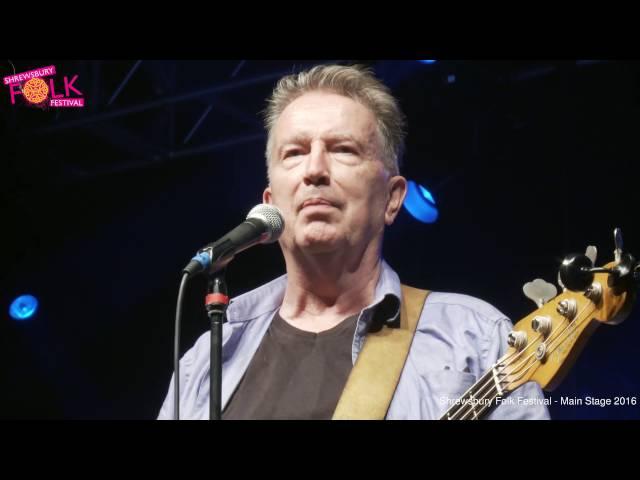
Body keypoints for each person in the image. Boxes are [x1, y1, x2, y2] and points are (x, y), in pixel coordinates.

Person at [158, 64, 550, 420]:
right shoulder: (209, 359)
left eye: (342, 150)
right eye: (294, 153)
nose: (314, 170)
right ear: (270, 202)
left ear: (393, 198)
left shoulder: (473, 339)